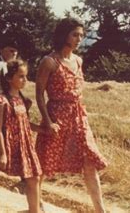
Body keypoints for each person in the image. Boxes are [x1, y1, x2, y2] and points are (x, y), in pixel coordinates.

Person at [35, 18, 108, 213]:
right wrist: (48, 121)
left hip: (78, 116)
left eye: (82, 35)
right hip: (56, 116)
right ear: (63, 35)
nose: (79, 39)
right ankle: (36, 203)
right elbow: (39, 94)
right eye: (75, 34)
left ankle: (100, 210)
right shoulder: (49, 62)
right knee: (44, 161)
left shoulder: (78, 60)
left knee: (89, 160)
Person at [0, 59, 43, 213]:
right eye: (21, 76)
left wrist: (43, 129)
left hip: (21, 144)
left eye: (26, 76)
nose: (25, 80)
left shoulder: (22, 99)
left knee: (34, 177)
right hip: (2, 144)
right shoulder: (1, 101)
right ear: (9, 78)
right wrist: (2, 154)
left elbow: (25, 123)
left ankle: (34, 210)